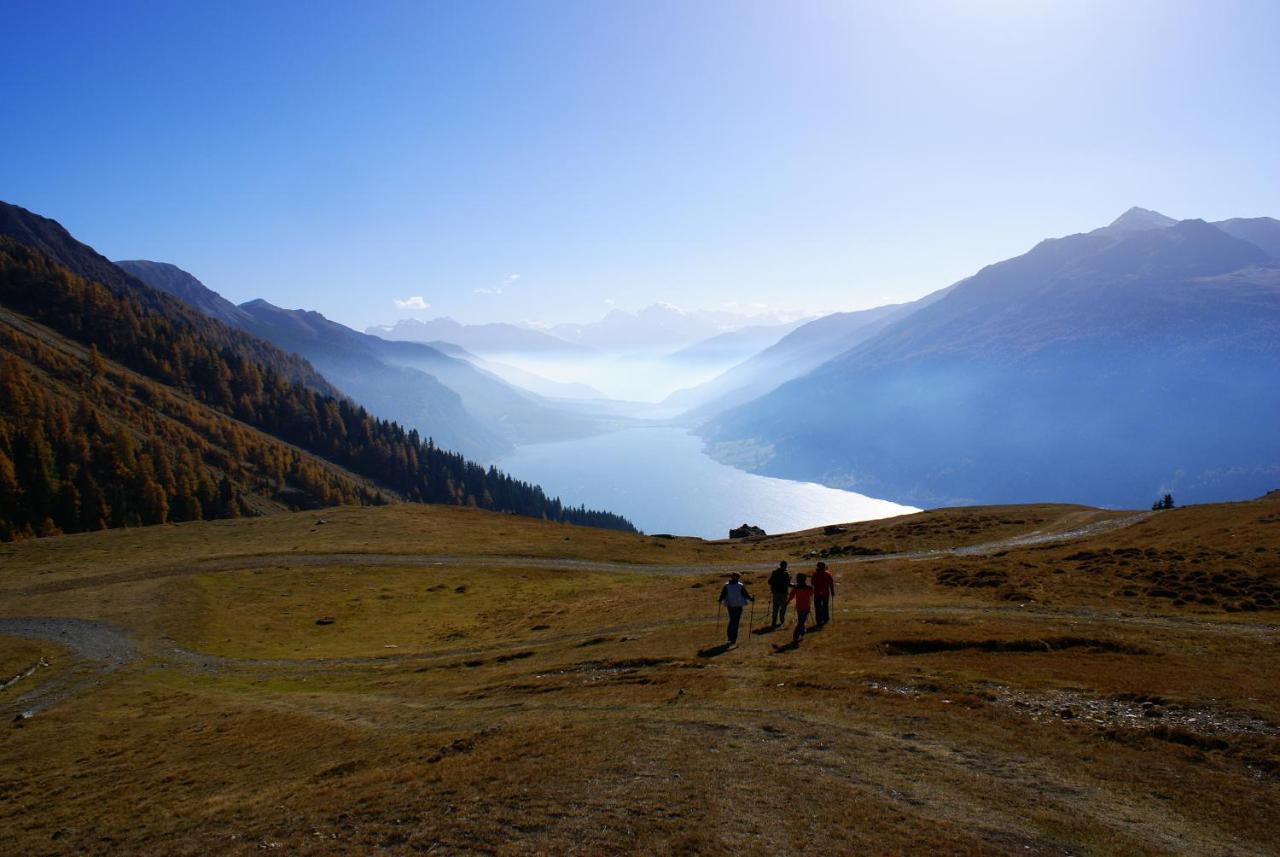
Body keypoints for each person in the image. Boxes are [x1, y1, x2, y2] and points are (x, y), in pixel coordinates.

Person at [717, 572, 755, 646]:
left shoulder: (727, 585)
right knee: (736, 621)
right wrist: (751, 599)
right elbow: (745, 594)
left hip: (730, 605)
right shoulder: (740, 585)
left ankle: (730, 637)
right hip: (738, 605)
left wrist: (720, 600)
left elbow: (723, 594)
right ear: (738, 578)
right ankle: (733, 638)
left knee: (732, 620)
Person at [787, 572, 814, 642]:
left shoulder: (796, 588)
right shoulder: (809, 588)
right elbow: (811, 594)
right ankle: (796, 634)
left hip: (799, 607)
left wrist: (787, 602)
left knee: (801, 620)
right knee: (801, 621)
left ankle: (802, 632)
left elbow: (791, 596)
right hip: (806, 606)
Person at [767, 560, 791, 627]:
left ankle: (774, 622)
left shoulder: (774, 572)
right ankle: (782, 621)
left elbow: (769, 582)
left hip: (776, 593)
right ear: (785, 566)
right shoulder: (786, 574)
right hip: (783, 593)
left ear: (780, 565)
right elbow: (788, 583)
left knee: (775, 608)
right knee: (783, 607)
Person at [812, 561, 835, 626]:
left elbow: (813, 583)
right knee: (825, 606)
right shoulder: (828, 574)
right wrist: (832, 592)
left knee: (818, 607)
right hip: (825, 593)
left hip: (817, 593)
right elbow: (831, 584)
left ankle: (819, 620)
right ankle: (826, 619)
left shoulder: (815, 574)